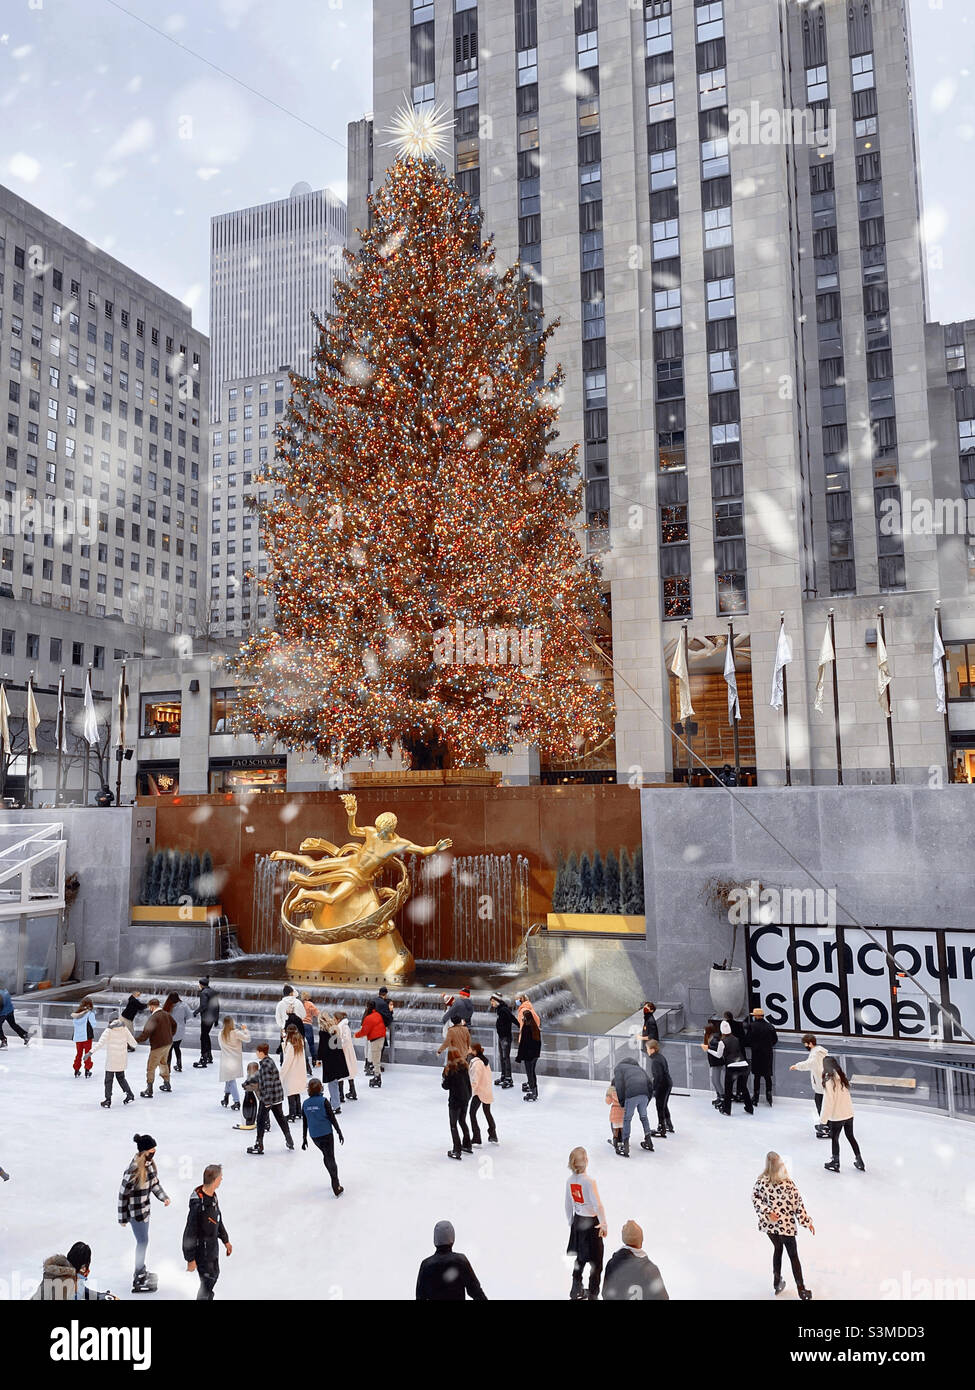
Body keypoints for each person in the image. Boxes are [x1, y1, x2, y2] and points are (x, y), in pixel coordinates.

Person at [751, 1150, 814, 1300]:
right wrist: (807, 1222)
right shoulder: (788, 1184)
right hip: (786, 1226)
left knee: (778, 1248)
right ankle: (801, 1289)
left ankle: (777, 1281)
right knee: (793, 1256)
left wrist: (767, 1212)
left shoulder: (761, 1182)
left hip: (770, 1226)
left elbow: (755, 1199)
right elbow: (798, 1205)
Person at [118, 1133, 170, 1294]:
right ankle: (139, 1274)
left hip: (145, 1211)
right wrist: (123, 1218)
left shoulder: (149, 1165)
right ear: (144, 1151)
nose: (154, 1152)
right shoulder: (133, 1170)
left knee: (143, 1242)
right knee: (142, 1242)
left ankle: (141, 1271)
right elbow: (122, 1194)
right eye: (152, 1150)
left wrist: (164, 1197)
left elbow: (155, 1184)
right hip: (136, 1214)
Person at [182, 1164, 232, 1301]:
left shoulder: (213, 1197)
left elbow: (218, 1219)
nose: (222, 1179)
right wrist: (190, 1259)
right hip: (202, 1251)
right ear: (215, 1180)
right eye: (220, 1177)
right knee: (207, 1281)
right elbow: (189, 1232)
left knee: (214, 1276)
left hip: (212, 1248)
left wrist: (226, 1240)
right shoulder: (198, 1204)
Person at [565, 1146, 607, 1301]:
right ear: (586, 1162)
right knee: (596, 1261)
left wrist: (572, 1222)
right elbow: (598, 1205)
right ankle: (593, 1293)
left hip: (578, 1221)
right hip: (591, 1223)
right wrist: (603, 1224)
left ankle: (575, 1288)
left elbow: (568, 1204)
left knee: (581, 1258)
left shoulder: (570, 1181)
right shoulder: (589, 1182)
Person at [415, 1220, 487, 1301]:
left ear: (435, 1239)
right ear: (452, 1237)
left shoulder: (426, 1265)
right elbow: (475, 1290)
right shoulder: (460, 1261)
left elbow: (420, 1296)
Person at [601, 1221, 669, 1301]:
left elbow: (606, 1294)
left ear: (624, 1239)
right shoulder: (650, 1269)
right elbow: (662, 1298)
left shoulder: (612, 1264)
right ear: (641, 1240)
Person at [246, 1043, 294, 1155]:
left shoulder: (266, 1065)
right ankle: (289, 1140)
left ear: (261, 1052)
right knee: (281, 1118)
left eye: (257, 1051)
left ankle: (259, 1145)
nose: (256, 1053)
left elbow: (268, 1084)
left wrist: (267, 1102)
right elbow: (260, 1075)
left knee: (261, 1120)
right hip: (276, 1097)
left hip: (269, 1098)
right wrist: (249, 1081)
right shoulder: (268, 1061)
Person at [820, 1057, 866, 1173]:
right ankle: (859, 1160)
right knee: (850, 1136)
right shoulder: (842, 1078)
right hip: (848, 1113)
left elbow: (828, 1102)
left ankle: (835, 1162)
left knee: (835, 1138)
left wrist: (823, 1121)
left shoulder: (829, 1081)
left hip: (838, 1116)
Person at [301, 1077, 345, 1196]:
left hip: (315, 1136)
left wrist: (304, 1138)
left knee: (326, 1155)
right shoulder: (324, 1101)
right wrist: (339, 1131)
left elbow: (305, 1122)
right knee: (330, 1157)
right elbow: (332, 1118)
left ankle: (333, 1179)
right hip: (326, 1134)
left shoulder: (305, 1104)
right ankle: (336, 1185)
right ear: (321, 1088)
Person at [611, 1056, 654, 1155]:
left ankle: (625, 1145)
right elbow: (650, 1084)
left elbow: (619, 1086)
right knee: (644, 1117)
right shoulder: (640, 1069)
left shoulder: (619, 1068)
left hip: (632, 1095)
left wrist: (622, 1101)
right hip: (644, 1095)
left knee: (627, 1119)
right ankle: (649, 1140)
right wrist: (647, 1099)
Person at [92, 1015, 137, 1108]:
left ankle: (108, 1100)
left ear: (110, 1021)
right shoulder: (124, 1029)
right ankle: (130, 1094)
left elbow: (100, 1043)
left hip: (112, 1060)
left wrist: (90, 1052)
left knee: (108, 1080)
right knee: (121, 1077)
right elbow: (134, 1043)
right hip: (121, 1059)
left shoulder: (109, 1030)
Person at [789, 1033, 829, 1137]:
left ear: (810, 1043)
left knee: (821, 1104)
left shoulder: (815, 1054)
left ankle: (826, 1127)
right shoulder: (820, 1051)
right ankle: (825, 1124)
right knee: (822, 1103)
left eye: (806, 1044)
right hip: (823, 1082)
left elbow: (809, 1064)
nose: (805, 1046)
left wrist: (796, 1066)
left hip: (821, 1083)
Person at [710, 1019, 753, 1116]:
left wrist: (708, 1050)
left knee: (728, 1090)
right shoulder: (736, 1039)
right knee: (743, 1088)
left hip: (732, 1067)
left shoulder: (722, 1042)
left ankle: (726, 1110)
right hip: (744, 1065)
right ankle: (749, 1108)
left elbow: (718, 1055)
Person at [135, 998, 176, 1098]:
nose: (149, 1009)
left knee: (151, 1067)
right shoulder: (166, 1014)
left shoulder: (153, 1018)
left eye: (149, 1007)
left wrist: (134, 1040)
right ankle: (167, 1083)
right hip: (168, 1044)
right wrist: (170, 1035)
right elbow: (174, 1024)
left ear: (152, 1006)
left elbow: (145, 1034)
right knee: (163, 1063)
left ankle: (149, 1089)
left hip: (158, 1046)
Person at [745, 1007, 778, 1107]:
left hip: (757, 1054)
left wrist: (754, 1046)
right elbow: (775, 1040)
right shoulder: (770, 1026)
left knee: (757, 1076)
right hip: (767, 1054)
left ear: (757, 1016)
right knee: (768, 1076)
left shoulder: (752, 1026)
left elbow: (748, 1039)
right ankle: (769, 1096)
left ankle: (756, 1097)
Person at [318, 1012, 350, 1111]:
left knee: (332, 1082)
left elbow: (322, 1047)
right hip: (338, 1058)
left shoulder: (323, 1032)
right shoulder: (335, 1029)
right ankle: (335, 1102)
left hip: (329, 1060)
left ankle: (336, 1105)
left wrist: (319, 1058)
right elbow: (337, 1045)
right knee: (334, 1082)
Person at [442, 1057, 473, 1159]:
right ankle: (467, 1145)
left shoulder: (451, 1071)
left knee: (453, 1125)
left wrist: (444, 1076)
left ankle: (457, 1150)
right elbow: (469, 1085)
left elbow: (445, 1086)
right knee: (462, 1121)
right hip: (465, 1100)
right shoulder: (464, 1069)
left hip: (455, 1102)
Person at [467, 1042, 497, 1145]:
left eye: (469, 1049)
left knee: (472, 1113)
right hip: (487, 1091)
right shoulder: (484, 1061)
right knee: (487, 1112)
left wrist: (468, 1092)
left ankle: (476, 1138)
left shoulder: (477, 1063)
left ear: (474, 1051)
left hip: (479, 1092)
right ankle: (493, 1135)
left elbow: (475, 1080)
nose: (468, 1050)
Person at [218, 1015, 250, 1110]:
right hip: (234, 1060)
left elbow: (221, 1046)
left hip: (226, 1060)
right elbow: (247, 1039)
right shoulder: (236, 1033)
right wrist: (245, 1029)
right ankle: (236, 1101)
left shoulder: (221, 1034)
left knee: (229, 1079)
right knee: (230, 1080)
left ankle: (226, 1098)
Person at [646, 1040, 674, 1138]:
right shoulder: (660, 1057)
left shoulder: (655, 1061)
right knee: (664, 1105)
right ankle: (668, 1124)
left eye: (648, 1049)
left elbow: (658, 1076)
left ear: (653, 1049)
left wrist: (654, 1089)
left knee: (660, 1106)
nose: (647, 1051)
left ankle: (661, 1128)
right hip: (668, 1083)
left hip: (663, 1085)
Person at [489, 993, 518, 1088]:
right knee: (502, 1057)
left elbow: (512, 1018)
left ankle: (509, 1078)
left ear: (497, 1001)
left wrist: (520, 1026)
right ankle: (504, 1076)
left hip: (505, 1037)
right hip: (502, 1037)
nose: (491, 1003)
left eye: (492, 1001)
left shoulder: (503, 1010)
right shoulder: (500, 1010)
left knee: (506, 1058)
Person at [280, 1024, 307, 1121]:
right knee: (296, 1092)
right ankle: (298, 1112)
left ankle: (292, 1114)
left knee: (290, 1092)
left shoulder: (291, 1046)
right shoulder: (300, 1041)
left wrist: (281, 1074)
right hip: (299, 1071)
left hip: (291, 1072)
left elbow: (287, 1061)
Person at [356, 1002, 386, 1088]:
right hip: (381, 1038)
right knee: (377, 1058)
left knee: (375, 1059)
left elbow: (364, 1031)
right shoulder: (378, 1014)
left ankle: (377, 1077)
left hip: (375, 1039)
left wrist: (356, 1035)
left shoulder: (369, 1018)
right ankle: (376, 1075)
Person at [192, 977, 219, 1068]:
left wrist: (195, 1012)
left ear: (201, 984)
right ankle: (209, 1056)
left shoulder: (203, 993)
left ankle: (203, 1058)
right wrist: (216, 1019)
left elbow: (203, 1006)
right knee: (206, 1035)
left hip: (206, 1018)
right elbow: (217, 1006)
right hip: (212, 1018)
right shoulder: (213, 992)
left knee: (203, 1037)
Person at [516, 1005, 542, 1102]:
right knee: (532, 1073)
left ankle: (533, 1091)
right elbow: (538, 1043)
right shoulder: (535, 1028)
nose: (522, 1018)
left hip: (528, 1056)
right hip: (534, 1056)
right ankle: (535, 1091)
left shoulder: (526, 1028)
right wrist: (536, 1054)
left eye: (523, 1017)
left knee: (530, 1074)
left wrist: (519, 1057)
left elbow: (523, 1044)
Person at [162, 991, 192, 1074]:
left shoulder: (167, 1006)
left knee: (169, 1050)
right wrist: (183, 1019)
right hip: (180, 1030)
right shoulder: (184, 1005)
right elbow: (190, 1016)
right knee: (177, 1048)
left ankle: (168, 1068)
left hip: (169, 1031)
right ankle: (179, 1065)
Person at [333, 1011, 359, 1103]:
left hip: (344, 1053)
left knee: (341, 1073)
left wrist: (338, 1045)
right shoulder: (343, 1026)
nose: (333, 1021)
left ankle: (341, 1095)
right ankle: (351, 1091)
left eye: (334, 1019)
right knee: (348, 1071)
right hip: (346, 1052)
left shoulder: (343, 1027)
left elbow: (345, 1040)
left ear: (338, 1019)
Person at [70, 997, 98, 1078]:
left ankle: (76, 1070)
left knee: (78, 1053)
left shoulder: (76, 1014)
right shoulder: (90, 1014)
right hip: (87, 1037)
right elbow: (93, 1024)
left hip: (78, 1037)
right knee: (87, 1053)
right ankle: (87, 1070)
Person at [702, 1018, 724, 1109]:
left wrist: (708, 1049)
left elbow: (717, 1053)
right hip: (714, 1062)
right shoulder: (711, 1038)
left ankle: (722, 1097)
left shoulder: (714, 1040)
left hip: (717, 1063)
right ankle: (719, 1096)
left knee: (716, 1080)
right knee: (715, 1080)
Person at [0, 980, 29, 1045]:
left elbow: (0, 1005)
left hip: (3, 1013)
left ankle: (3, 1040)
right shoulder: (5, 990)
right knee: (13, 1024)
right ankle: (24, 1035)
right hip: (10, 1011)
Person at [235, 1061, 260, 1131]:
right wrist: (245, 1084)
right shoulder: (250, 1076)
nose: (248, 1072)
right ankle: (251, 1120)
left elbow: (254, 1087)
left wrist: (246, 1087)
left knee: (263, 1110)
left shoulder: (257, 1077)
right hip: (253, 1095)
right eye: (248, 1070)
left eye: (250, 1070)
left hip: (261, 1097)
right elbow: (248, 1081)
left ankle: (266, 1123)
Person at [373, 985, 395, 1060]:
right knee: (380, 1048)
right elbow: (388, 1017)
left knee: (374, 1048)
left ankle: (370, 1064)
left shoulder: (374, 1000)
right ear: (385, 994)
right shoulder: (383, 1003)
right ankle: (376, 1067)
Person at [300, 992, 320, 1064]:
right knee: (311, 1044)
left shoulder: (299, 1004)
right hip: (308, 1025)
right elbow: (317, 1013)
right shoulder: (310, 1004)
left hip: (300, 1025)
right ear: (308, 997)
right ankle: (314, 1060)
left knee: (301, 1044)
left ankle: (303, 1060)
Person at [605, 1083, 623, 1152]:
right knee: (622, 1128)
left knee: (615, 1129)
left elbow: (608, 1102)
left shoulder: (612, 1091)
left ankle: (616, 1142)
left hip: (615, 1113)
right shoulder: (623, 1090)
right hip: (622, 1112)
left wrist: (608, 1094)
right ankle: (623, 1141)